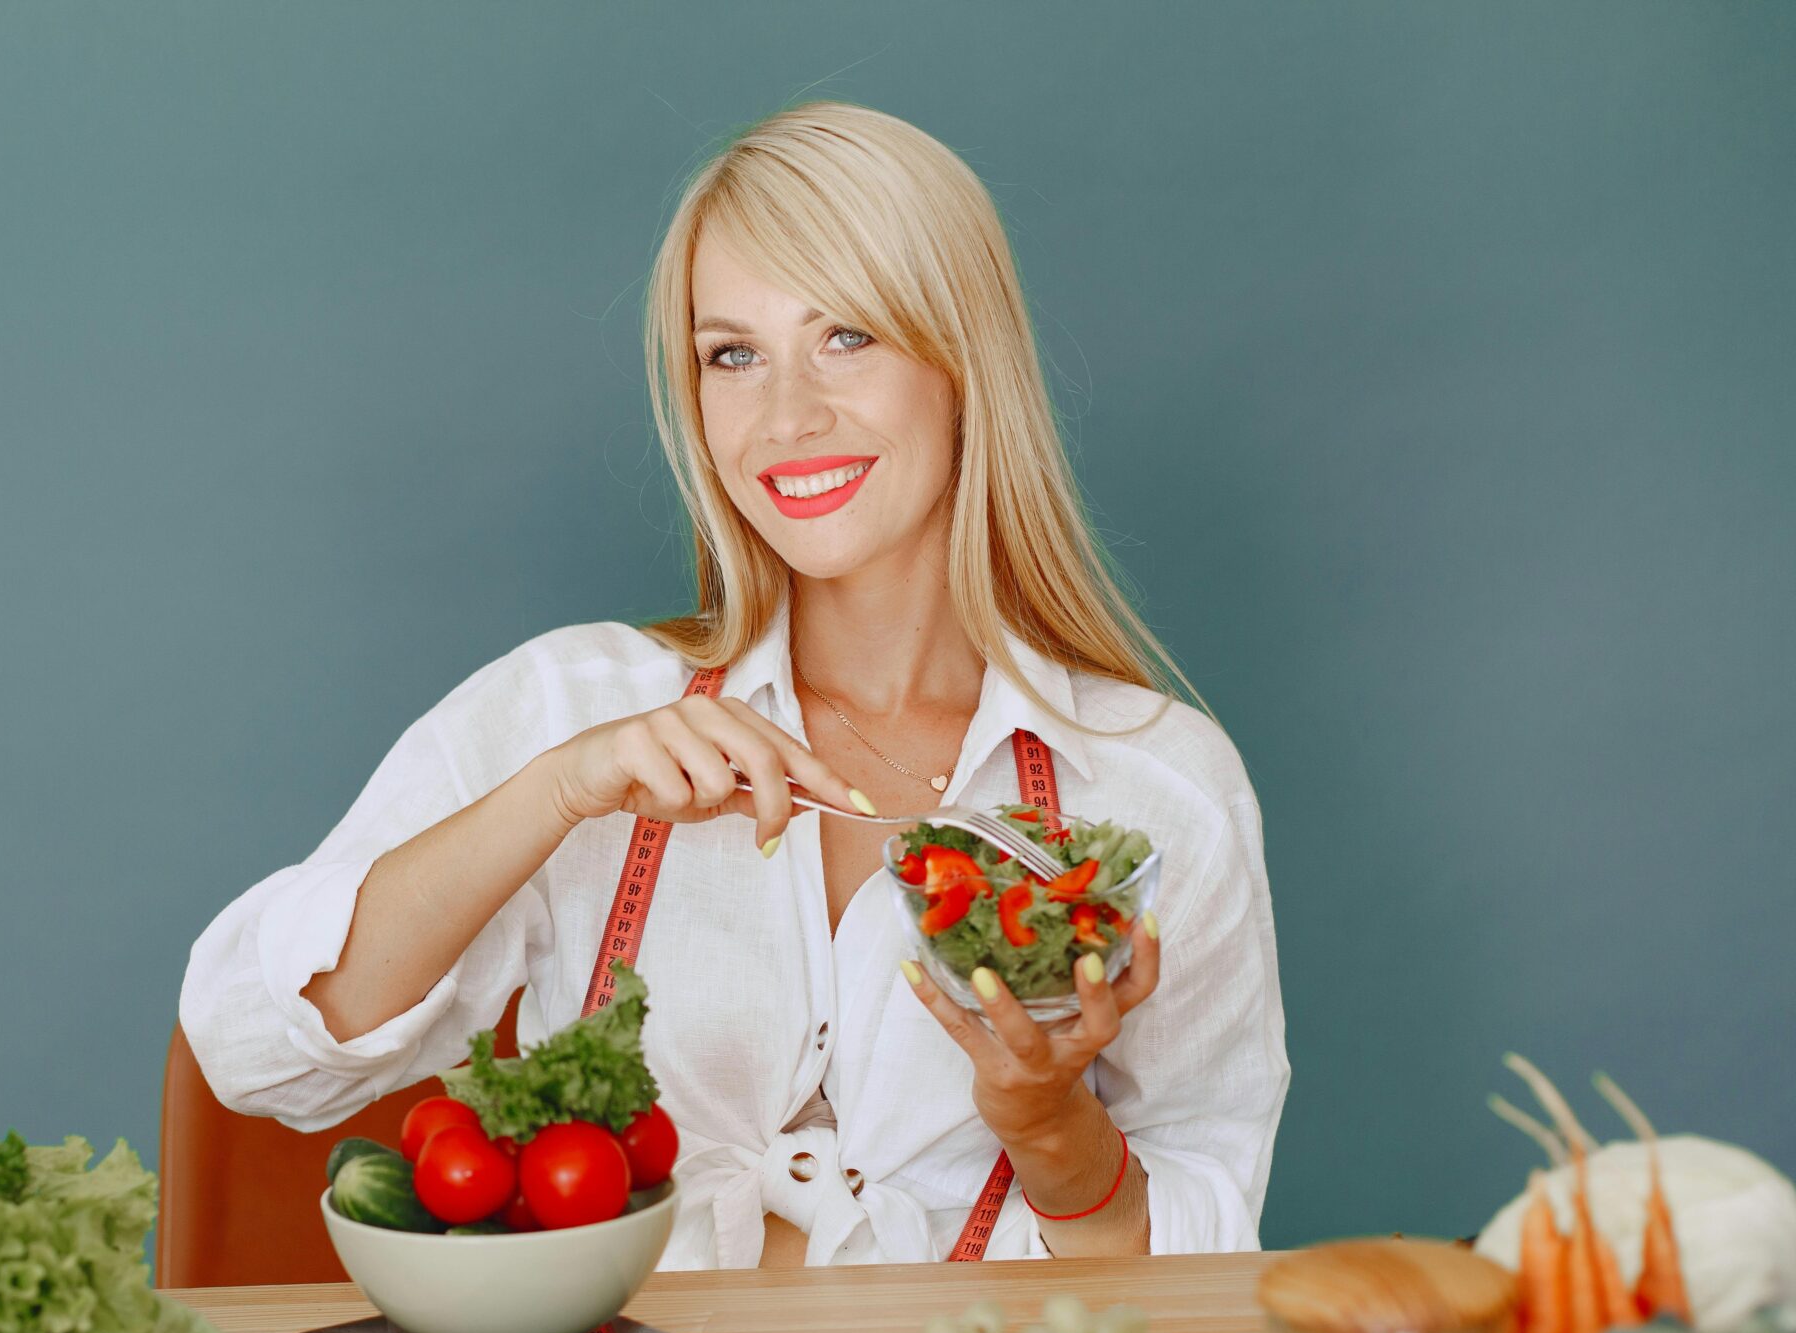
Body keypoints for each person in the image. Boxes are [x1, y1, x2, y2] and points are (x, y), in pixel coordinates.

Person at [182, 101, 1287, 1268]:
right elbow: (259, 1055)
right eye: (733, 356)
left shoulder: (1154, 791)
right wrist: (555, 795)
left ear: (964, 364)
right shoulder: (571, 708)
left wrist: (1052, 1131)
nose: (786, 416)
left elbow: (1203, 1267)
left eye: (847, 336)